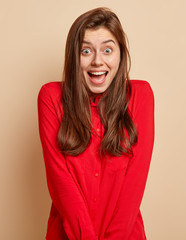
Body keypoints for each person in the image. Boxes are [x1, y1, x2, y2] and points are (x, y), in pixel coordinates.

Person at [38, 7, 154, 240]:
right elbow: (60, 182)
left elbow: (134, 186)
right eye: (86, 51)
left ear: (120, 54)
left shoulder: (141, 96)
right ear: (74, 56)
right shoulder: (50, 98)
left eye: (108, 50)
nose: (97, 61)